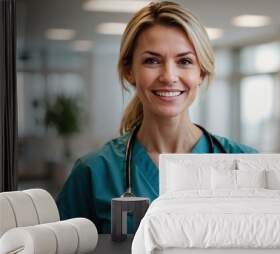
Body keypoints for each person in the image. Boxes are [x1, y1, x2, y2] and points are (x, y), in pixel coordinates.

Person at [57, 1, 257, 234]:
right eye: (152, 60)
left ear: (201, 72)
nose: (169, 76)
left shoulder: (245, 164)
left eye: (184, 61)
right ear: (129, 71)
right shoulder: (94, 172)